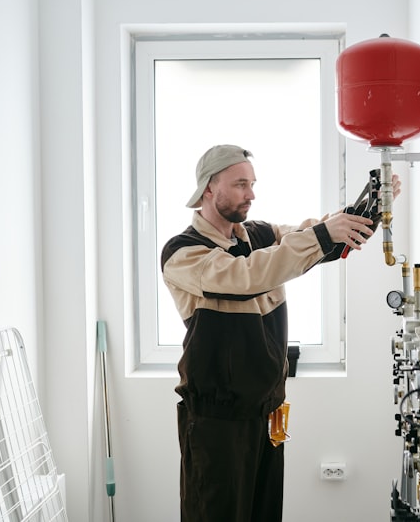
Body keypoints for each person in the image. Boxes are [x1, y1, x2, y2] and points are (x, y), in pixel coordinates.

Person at [160, 144, 400, 522]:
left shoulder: (258, 234)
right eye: (240, 184)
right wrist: (320, 235)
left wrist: (365, 209)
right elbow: (248, 276)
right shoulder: (182, 252)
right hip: (217, 422)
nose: (251, 194)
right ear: (209, 188)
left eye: (252, 184)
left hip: (267, 411)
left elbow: (311, 242)